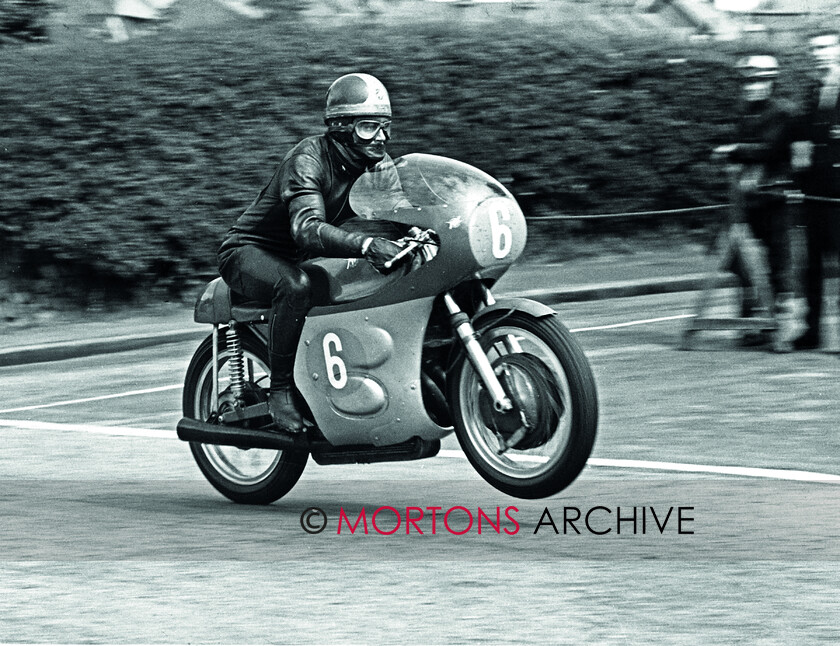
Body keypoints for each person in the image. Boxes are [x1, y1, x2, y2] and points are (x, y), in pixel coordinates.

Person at [217, 73, 407, 433]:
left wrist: (427, 233)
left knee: (361, 282)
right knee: (296, 286)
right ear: (339, 127)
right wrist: (367, 246)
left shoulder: (378, 166)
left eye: (385, 126)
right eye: (369, 127)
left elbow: (399, 213)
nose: (381, 137)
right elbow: (306, 229)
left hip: (299, 256)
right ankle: (280, 392)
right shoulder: (308, 159)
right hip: (248, 251)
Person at [717, 54, 796, 347]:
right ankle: (751, 321)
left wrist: (735, 150)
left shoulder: (783, 113)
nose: (752, 86)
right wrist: (735, 152)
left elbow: (769, 150)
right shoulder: (743, 111)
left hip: (774, 198)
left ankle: (781, 328)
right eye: (748, 81)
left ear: (771, 81)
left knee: (779, 263)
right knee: (740, 260)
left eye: (759, 80)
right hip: (747, 201)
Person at [790, 31, 840, 351]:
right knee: (812, 266)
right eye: (814, 49)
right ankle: (811, 331)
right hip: (815, 194)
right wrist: (797, 183)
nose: (819, 54)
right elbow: (803, 143)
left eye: (826, 47)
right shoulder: (813, 93)